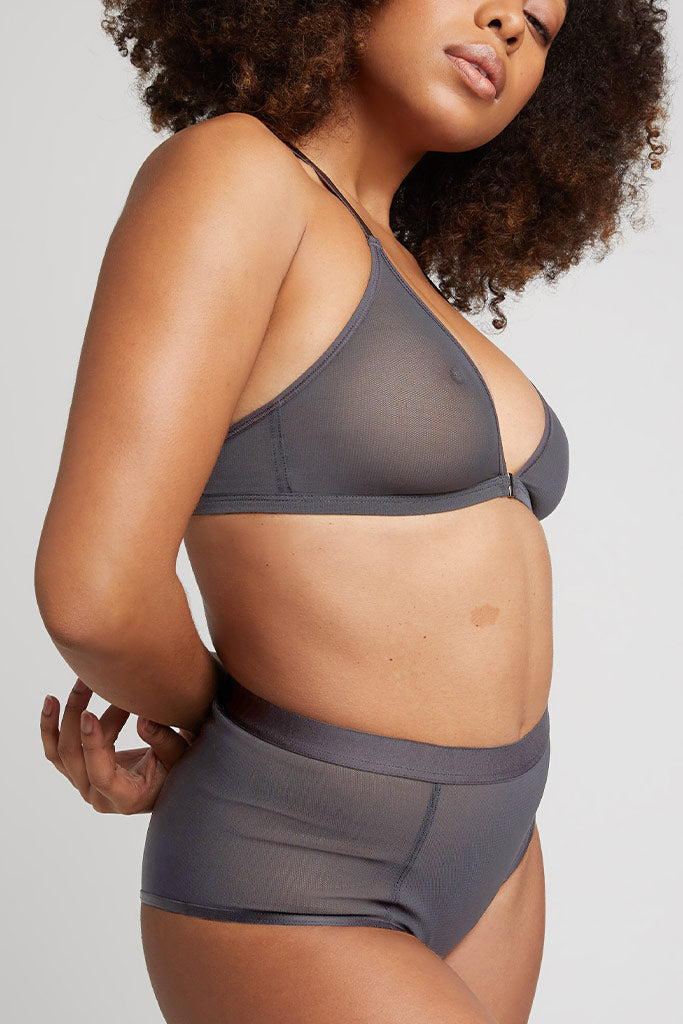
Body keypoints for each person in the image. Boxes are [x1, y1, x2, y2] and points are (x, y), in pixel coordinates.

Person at [34, 1, 670, 1021]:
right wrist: (215, 733)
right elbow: (94, 593)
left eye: (543, 26)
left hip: (499, 857)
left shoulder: (401, 266)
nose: (509, 25)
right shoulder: (235, 175)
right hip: (297, 856)